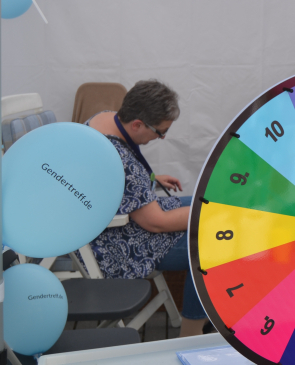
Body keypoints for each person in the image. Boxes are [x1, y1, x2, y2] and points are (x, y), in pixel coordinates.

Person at [84, 79, 208, 337]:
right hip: (114, 243)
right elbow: (156, 223)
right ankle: (191, 335)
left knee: (203, 201)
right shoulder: (121, 160)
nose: (161, 137)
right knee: (212, 243)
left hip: (104, 221)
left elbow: (114, 179)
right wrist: (210, 214)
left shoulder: (102, 119)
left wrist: (148, 180)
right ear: (137, 124)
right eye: (160, 132)